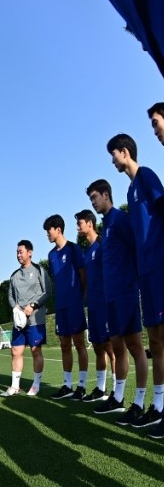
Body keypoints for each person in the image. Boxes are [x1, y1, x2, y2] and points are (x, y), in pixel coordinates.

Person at [106, 133, 164, 429]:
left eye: (113, 154)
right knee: (155, 341)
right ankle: (154, 405)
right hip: (146, 274)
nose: (112, 160)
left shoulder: (146, 176)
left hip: (159, 267)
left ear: (124, 152)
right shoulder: (130, 191)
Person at [87, 180, 149, 423]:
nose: (93, 202)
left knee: (135, 346)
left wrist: (132, 283)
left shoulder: (120, 220)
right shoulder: (106, 224)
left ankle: (140, 403)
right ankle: (119, 397)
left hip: (125, 294)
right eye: (90, 199)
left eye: (95, 197)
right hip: (110, 298)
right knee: (117, 346)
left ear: (106, 194)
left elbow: (136, 250)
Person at [43, 214, 90, 400]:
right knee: (64, 344)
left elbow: (83, 275)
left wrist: (80, 296)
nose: (47, 234)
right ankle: (67, 384)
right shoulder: (51, 255)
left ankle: (82, 385)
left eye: (49, 231)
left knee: (79, 343)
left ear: (58, 230)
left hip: (74, 304)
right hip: (60, 306)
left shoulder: (74, 249)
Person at [74, 209, 115, 401]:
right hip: (93, 305)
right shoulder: (86, 251)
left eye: (80, 223)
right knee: (98, 345)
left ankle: (117, 390)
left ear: (90, 223)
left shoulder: (102, 243)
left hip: (106, 303)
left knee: (110, 346)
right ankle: (101, 388)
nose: (78, 227)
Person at [2, 240, 51, 397]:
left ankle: (36, 385)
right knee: (16, 351)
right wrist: (15, 308)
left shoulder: (39, 270)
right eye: (17, 252)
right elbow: (10, 296)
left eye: (21, 251)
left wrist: (33, 305)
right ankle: (15, 386)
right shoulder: (14, 276)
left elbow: (47, 292)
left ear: (30, 252)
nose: (18, 255)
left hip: (35, 320)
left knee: (36, 351)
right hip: (19, 321)